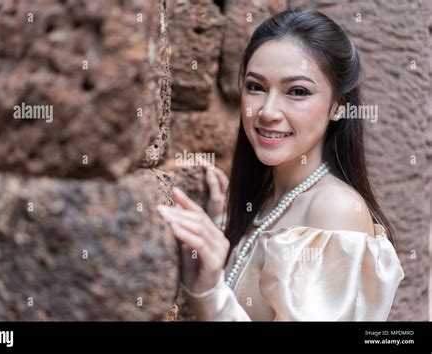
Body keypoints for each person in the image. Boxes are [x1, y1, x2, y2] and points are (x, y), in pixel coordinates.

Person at [157, 9, 404, 321]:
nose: (268, 111)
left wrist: (209, 293)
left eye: (297, 92)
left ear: (338, 107)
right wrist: (224, 224)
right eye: (256, 87)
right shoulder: (265, 200)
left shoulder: (335, 210)